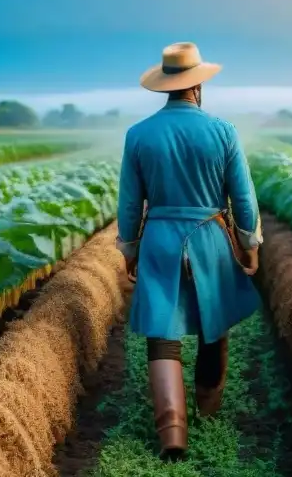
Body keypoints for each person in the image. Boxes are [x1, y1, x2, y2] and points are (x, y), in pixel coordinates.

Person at [115, 41, 262, 461]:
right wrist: (249, 245)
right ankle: (207, 411)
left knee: (163, 333)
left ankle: (173, 435)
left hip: (160, 237)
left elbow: (129, 204)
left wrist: (130, 249)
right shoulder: (223, 131)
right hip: (210, 236)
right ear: (198, 86)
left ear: (166, 86)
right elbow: (244, 199)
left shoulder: (138, 134)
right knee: (214, 326)